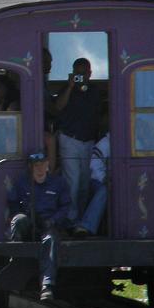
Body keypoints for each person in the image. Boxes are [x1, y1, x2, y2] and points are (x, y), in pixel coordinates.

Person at [7, 151, 73, 300]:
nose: (40, 168)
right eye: (36, 165)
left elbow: (65, 206)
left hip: (49, 225)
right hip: (29, 225)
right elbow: (13, 203)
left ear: (48, 165)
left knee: (50, 240)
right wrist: (22, 215)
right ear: (31, 167)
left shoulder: (58, 183)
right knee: (18, 220)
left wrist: (53, 221)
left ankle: (47, 286)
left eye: (42, 164)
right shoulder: (22, 183)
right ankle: (16, 268)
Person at [55, 57, 103, 218]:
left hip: (88, 141)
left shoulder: (95, 91)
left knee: (84, 183)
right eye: (78, 73)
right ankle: (69, 219)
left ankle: (81, 218)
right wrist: (70, 87)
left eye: (84, 73)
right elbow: (59, 106)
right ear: (72, 73)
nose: (81, 76)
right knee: (72, 182)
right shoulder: (66, 89)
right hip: (69, 139)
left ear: (90, 73)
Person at [78, 130, 110, 236]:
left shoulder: (133, 140)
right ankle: (86, 226)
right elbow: (94, 166)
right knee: (104, 191)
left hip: (122, 183)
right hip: (98, 181)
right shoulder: (105, 143)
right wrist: (104, 178)